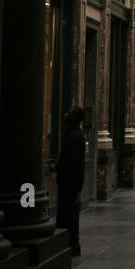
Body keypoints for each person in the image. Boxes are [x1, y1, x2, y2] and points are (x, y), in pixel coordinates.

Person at [54, 106, 86, 256]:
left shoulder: (74, 136)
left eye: (70, 113)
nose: (66, 114)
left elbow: (71, 162)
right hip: (73, 182)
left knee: (68, 213)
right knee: (70, 212)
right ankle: (70, 243)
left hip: (69, 182)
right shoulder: (76, 134)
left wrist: (59, 167)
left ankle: (70, 244)